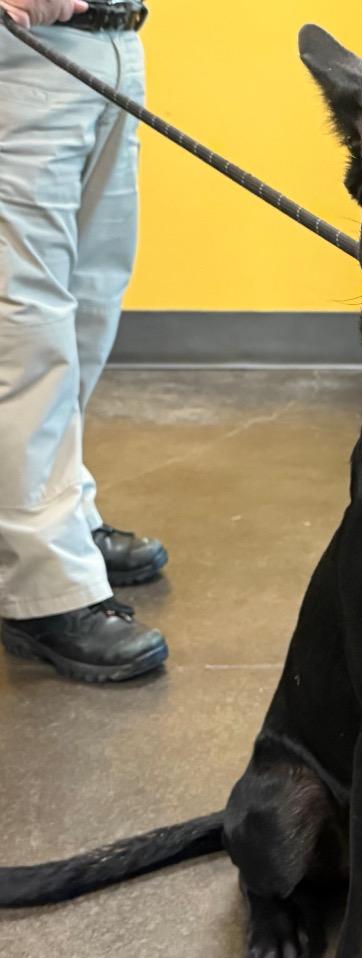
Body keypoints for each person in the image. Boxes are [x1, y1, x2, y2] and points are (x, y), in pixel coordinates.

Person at [0, 0, 169, 683]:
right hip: (22, 52)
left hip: (112, 43)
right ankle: (41, 582)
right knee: (26, 325)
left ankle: (59, 508)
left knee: (88, 309)